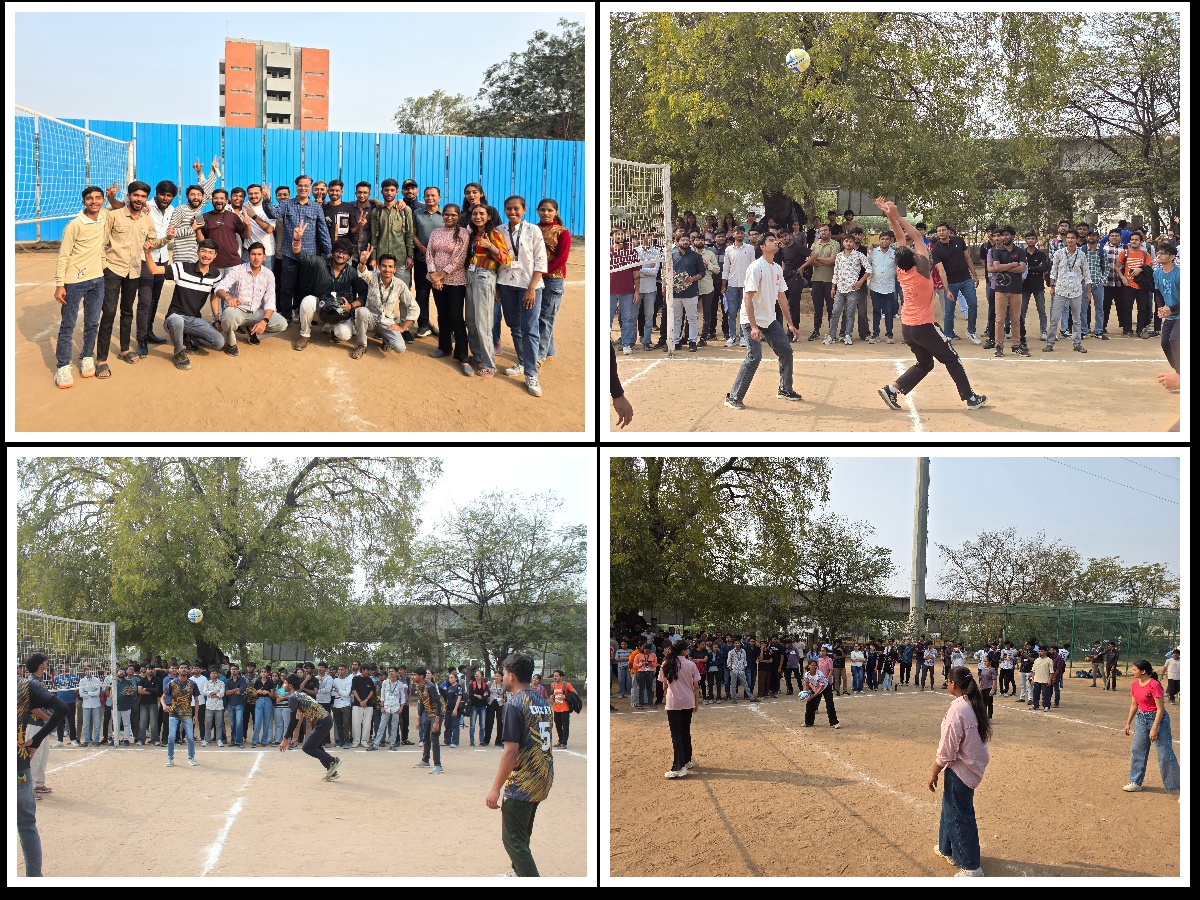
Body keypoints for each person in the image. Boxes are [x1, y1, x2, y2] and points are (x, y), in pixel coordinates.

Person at [875, 198, 987, 412]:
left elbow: (900, 237)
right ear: (914, 258)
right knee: (952, 358)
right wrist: (896, 215)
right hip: (923, 327)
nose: (915, 249)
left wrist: (890, 215)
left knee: (925, 364)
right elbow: (914, 235)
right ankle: (970, 398)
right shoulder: (923, 269)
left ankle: (892, 389)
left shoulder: (902, 270)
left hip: (908, 326)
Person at [485, 653, 554, 878]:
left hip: (524, 780)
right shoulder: (542, 701)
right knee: (523, 832)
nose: (502, 678)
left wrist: (496, 788)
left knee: (512, 838)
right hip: (542, 775)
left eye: (504, 673)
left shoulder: (514, 704)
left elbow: (511, 751)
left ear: (511, 676)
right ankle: (517, 873)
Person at [723, 233, 804, 409]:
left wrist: (790, 324)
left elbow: (782, 298)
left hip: (769, 320)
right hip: (751, 320)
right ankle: (734, 397)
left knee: (786, 351)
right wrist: (753, 326)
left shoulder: (776, 268)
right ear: (763, 247)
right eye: (771, 240)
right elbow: (747, 299)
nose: (776, 242)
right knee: (754, 357)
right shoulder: (756, 267)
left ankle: (785, 389)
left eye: (776, 240)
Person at [929, 667, 990, 877]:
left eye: (948, 681)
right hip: (969, 766)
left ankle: (971, 866)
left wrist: (934, 772)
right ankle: (946, 848)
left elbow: (947, 750)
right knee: (950, 808)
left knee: (960, 815)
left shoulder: (959, 708)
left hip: (961, 770)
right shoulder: (973, 704)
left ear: (953, 684)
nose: (947, 684)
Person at [53, 186, 113, 388]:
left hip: (98, 279)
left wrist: (114, 196)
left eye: (98, 198)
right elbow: (63, 256)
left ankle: (87, 356)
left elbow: (122, 207)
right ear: (83, 202)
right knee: (68, 324)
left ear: (103, 200)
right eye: (89, 198)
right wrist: (60, 284)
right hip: (74, 282)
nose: (94, 201)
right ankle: (62, 366)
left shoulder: (105, 216)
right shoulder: (74, 225)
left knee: (92, 322)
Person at [18, 655, 70, 877]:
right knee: (27, 825)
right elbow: (61, 709)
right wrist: (36, 741)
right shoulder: (24, 685)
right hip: (18, 764)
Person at [138, 240, 225, 370]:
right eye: (204, 251)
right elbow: (154, 270)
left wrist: (217, 320)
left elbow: (214, 298)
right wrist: (147, 252)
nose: (207, 255)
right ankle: (179, 352)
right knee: (177, 320)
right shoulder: (183, 268)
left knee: (219, 342)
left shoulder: (216, 275)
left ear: (215, 255)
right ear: (197, 252)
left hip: (194, 319)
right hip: (174, 317)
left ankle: (189, 338)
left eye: (211, 253)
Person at [262, 175, 333, 323]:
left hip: (308, 255)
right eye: (300, 185)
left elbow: (323, 231)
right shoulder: (287, 204)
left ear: (310, 188)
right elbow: (273, 214)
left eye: (306, 186)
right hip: (289, 253)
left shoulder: (316, 208)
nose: (303, 188)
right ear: (296, 187)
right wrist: (267, 200)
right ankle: (286, 315)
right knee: (286, 287)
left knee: (305, 288)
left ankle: (302, 315)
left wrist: (329, 250)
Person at [497, 196, 549, 394]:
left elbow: (540, 261)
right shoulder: (499, 231)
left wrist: (532, 288)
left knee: (529, 328)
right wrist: (496, 287)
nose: (512, 212)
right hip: (506, 284)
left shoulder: (533, 230)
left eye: (516, 209)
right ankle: (521, 361)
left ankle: (531, 373)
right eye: (509, 209)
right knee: (514, 325)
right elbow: (496, 261)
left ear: (524, 210)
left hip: (528, 286)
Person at [291, 225, 369, 351]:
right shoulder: (320, 263)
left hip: (341, 314)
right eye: (338, 251)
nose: (341, 255)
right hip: (320, 309)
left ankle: (333, 329)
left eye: (345, 253)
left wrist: (351, 306)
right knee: (307, 301)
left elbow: (364, 293)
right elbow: (300, 256)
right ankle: (305, 335)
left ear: (349, 257)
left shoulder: (352, 272)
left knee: (344, 334)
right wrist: (297, 240)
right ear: (332, 253)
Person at [211, 243, 287, 354]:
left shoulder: (268, 274)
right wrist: (228, 297)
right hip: (238, 310)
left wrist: (264, 321)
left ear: (264, 257)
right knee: (228, 317)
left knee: (282, 324)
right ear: (248, 256)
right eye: (253, 254)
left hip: (256, 311)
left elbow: (270, 301)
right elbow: (219, 288)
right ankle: (231, 343)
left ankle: (253, 333)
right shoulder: (238, 270)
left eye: (259, 254)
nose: (256, 258)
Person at [465, 204, 511, 377]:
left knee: (483, 321)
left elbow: (506, 259)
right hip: (471, 275)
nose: (478, 216)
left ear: (489, 216)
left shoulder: (494, 234)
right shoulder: (474, 233)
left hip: (485, 276)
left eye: (482, 214)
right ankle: (477, 355)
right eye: (475, 214)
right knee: (471, 320)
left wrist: (490, 246)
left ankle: (489, 364)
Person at [426, 203, 472, 375]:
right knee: (442, 314)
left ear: (458, 216)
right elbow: (429, 253)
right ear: (442, 215)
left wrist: (441, 274)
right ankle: (444, 346)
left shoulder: (463, 233)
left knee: (456, 318)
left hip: (455, 281)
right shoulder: (436, 232)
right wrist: (433, 275)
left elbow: (459, 259)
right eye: (446, 214)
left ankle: (463, 357)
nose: (449, 217)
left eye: (453, 215)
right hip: (436, 280)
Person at [1122, 659, 1179, 793]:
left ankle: (1176, 787)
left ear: (1143, 671)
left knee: (1165, 753)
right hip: (1141, 719)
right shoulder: (1135, 685)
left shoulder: (1155, 685)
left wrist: (1154, 728)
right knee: (1137, 750)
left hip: (1158, 719)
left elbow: (1160, 709)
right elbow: (1134, 705)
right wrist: (1128, 723)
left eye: (1134, 669)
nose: (1132, 671)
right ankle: (1135, 782)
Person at [348, 249, 419, 358]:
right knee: (362, 311)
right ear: (379, 267)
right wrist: (362, 262)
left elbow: (414, 307)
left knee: (400, 347)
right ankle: (361, 345)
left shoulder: (400, 285)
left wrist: (403, 327)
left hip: (387, 323)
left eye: (390, 267)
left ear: (395, 269)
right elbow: (363, 273)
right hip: (371, 319)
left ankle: (386, 339)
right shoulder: (373, 277)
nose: (387, 269)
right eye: (384, 266)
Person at [278, 675, 341, 781]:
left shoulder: (293, 697)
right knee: (317, 746)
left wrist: (285, 738)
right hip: (325, 719)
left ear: (290, 685)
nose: (283, 685)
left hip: (322, 721)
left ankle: (333, 761)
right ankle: (332, 771)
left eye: (284, 683)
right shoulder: (300, 694)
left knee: (307, 747)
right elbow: (297, 719)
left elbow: (293, 721)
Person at [930, 221, 982, 343]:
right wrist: (947, 289)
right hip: (951, 283)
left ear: (948, 231)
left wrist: (974, 275)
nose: (941, 233)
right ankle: (948, 335)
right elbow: (941, 271)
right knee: (949, 310)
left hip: (966, 279)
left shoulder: (959, 241)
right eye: (939, 231)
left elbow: (967, 258)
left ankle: (971, 331)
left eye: (943, 230)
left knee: (973, 304)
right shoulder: (936, 250)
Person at [658, 640, 700, 779]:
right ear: (683, 651)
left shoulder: (666, 664)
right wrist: (696, 703)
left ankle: (678, 766)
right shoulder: (690, 664)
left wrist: (668, 697)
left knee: (676, 734)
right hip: (688, 701)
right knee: (685, 731)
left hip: (673, 702)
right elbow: (696, 686)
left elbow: (664, 686)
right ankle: (686, 761)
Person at [1045, 229, 1092, 352]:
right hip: (1060, 289)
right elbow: (1053, 271)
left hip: (1076, 290)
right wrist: (1052, 286)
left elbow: (1086, 273)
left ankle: (1077, 343)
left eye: (1073, 238)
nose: (1070, 240)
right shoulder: (1059, 254)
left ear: (1077, 240)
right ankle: (1050, 343)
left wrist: (1088, 291)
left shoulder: (1081, 255)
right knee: (1055, 318)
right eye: (1068, 238)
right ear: (1066, 239)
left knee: (1077, 319)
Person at [410, 185, 444, 337]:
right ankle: (423, 324)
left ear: (439, 197)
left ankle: (445, 327)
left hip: (441, 263)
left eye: (433, 196)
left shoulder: (446, 214)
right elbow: (413, 234)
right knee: (422, 294)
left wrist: (434, 254)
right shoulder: (417, 213)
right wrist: (424, 250)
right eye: (427, 196)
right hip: (421, 259)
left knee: (441, 296)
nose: (430, 198)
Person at [368, 178, 415, 288]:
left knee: (404, 294)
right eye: (386, 190)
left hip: (401, 259)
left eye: (392, 190)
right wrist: (374, 258)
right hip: (381, 259)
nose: (389, 193)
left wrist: (410, 256)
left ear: (397, 192)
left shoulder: (405, 210)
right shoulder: (376, 212)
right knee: (380, 293)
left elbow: (409, 234)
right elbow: (374, 237)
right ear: (381, 192)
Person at [826, 234, 871, 345]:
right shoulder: (839, 256)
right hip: (840, 289)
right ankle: (831, 336)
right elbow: (835, 273)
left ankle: (847, 335)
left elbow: (869, 269)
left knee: (850, 314)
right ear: (843, 243)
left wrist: (860, 281)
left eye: (850, 241)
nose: (848, 243)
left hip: (852, 289)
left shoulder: (859, 255)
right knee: (835, 313)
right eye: (846, 241)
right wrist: (833, 287)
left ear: (853, 242)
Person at [721, 226, 756, 346]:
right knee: (731, 312)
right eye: (737, 233)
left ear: (744, 235)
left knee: (744, 312)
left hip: (746, 285)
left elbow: (753, 267)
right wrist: (723, 285)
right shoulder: (728, 250)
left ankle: (743, 336)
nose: (740, 235)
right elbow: (725, 268)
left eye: (742, 233)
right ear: (734, 235)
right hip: (732, 284)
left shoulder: (750, 248)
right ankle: (731, 337)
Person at [198, 189, 249, 271]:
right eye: (215, 198)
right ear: (212, 200)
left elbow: (246, 236)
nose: (219, 201)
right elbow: (201, 242)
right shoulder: (205, 217)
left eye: (222, 198)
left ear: (226, 201)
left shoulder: (233, 217)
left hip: (233, 262)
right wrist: (197, 229)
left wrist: (248, 225)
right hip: (212, 262)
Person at [161, 660, 200, 767]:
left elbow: (196, 700)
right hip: (173, 713)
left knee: (190, 737)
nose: (183, 669)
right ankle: (170, 758)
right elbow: (163, 698)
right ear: (178, 670)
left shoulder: (192, 684)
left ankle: (191, 757)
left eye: (185, 668)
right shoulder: (172, 683)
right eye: (181, 667)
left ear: (188, 670)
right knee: (171, 736)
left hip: (187, 713)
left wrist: (196, 715)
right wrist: (164, 705)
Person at [1117, 233, 1154, 338]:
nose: (1134, 241)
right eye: (1132, 239)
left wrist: (1141, 268)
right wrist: (1122, 277)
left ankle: (1140, 330)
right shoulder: (1124, 253)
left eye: (1136, 240)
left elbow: (1149, 267)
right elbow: (1116, 266)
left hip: (1142, 285)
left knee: (1142, 308)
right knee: (1127, 308)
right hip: (1128, 284)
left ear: (1141, 242)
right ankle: (1127, 330)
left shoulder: (1145, 254)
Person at [411, 667, 445, 774]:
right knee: (426, 736)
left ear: (421, 676)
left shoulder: (430, 687)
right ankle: (425, 760)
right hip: (428, 713)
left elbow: (439, 703)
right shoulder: (418, 686)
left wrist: (437, 721)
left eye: (415, 675)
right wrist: (419, 718)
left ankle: (438, 765)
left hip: (436, 713)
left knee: (434, 737)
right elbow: (421, 702)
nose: (413, 677)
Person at [1152, 243, 1179, 374]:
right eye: (1158, 253)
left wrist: (1171, 309)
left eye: (1163, 253)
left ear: (1172, 256)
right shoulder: (1157, 273)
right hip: (1171, 314)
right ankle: (1179, 372)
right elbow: (1158, 293)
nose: (1159, 255)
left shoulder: (1180, 273)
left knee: (1175, 340)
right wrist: (1162, 308)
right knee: (1165, 343)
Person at [802, 659, 840, 728]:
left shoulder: (819, 674)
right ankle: (808, 722)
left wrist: (814, 695)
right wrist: (805, 694)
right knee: (810, 704)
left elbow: (822, 687)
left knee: (829, 704)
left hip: (825, 688)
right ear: (808, 666)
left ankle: (834, 723)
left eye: (815, 665)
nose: (814, 666)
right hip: (815, 688)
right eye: (812, 665)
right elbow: (807, 685)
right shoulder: (807, 674)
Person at [549, 669, 577, 749]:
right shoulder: (553, 685)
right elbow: (554, 694)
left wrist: (565, 697)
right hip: (556, 708)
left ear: (561, 677)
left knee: (565, 725)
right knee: (558, 725)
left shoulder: (567, 685)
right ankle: (560, 740)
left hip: (564, 708)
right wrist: (553, 697)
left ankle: (564, 743)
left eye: (557, 676)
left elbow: (575, 693)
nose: (555, 677)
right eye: (554, 676)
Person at [1030, 647, 1054, 711]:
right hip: (1037, 680)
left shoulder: (1049, 660)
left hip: (1045, 680)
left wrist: (1049, 680)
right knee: (1035, 693)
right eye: (1039, 651)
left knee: (1046, 694)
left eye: (1042, 651)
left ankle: (1046, 706)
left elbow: (1051, 672)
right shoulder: (1037, 660)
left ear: (1045, 652)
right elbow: (1033, 671)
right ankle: (1035, 705)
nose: (1040, 652)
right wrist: (1033, 679)